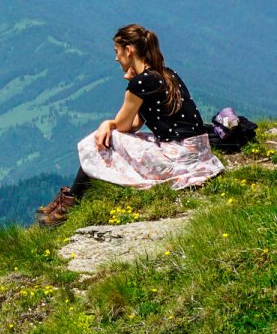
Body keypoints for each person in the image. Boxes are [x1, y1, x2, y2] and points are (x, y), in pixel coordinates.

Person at [37, 23, 223, 226]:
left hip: (178, 157)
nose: (116, 58)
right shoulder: (166, 74)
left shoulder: (142, 83)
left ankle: (69, 205)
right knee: (117, 137)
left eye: (117, 51)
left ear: (129, 50)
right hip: (197, 151)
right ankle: (70, 200)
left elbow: (123, 127)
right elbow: (136, 124)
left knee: (99, 141)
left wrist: (107, 122)